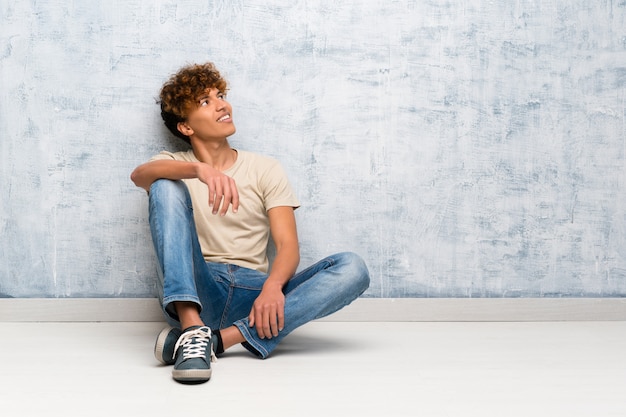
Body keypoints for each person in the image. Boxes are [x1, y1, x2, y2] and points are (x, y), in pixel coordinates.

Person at [130, 62, 370, 384]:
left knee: (353, 267)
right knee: (162, 185)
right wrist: (200, 171)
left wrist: (272, 287)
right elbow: (139, 176)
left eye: (220, 96)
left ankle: (214, 341)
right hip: (201, 285)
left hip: (253, 294)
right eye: (205, 102)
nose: (222, 105)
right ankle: (191, 324)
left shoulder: (265, 168)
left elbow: (287, 246)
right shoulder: (176, 165)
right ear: (186, 127)